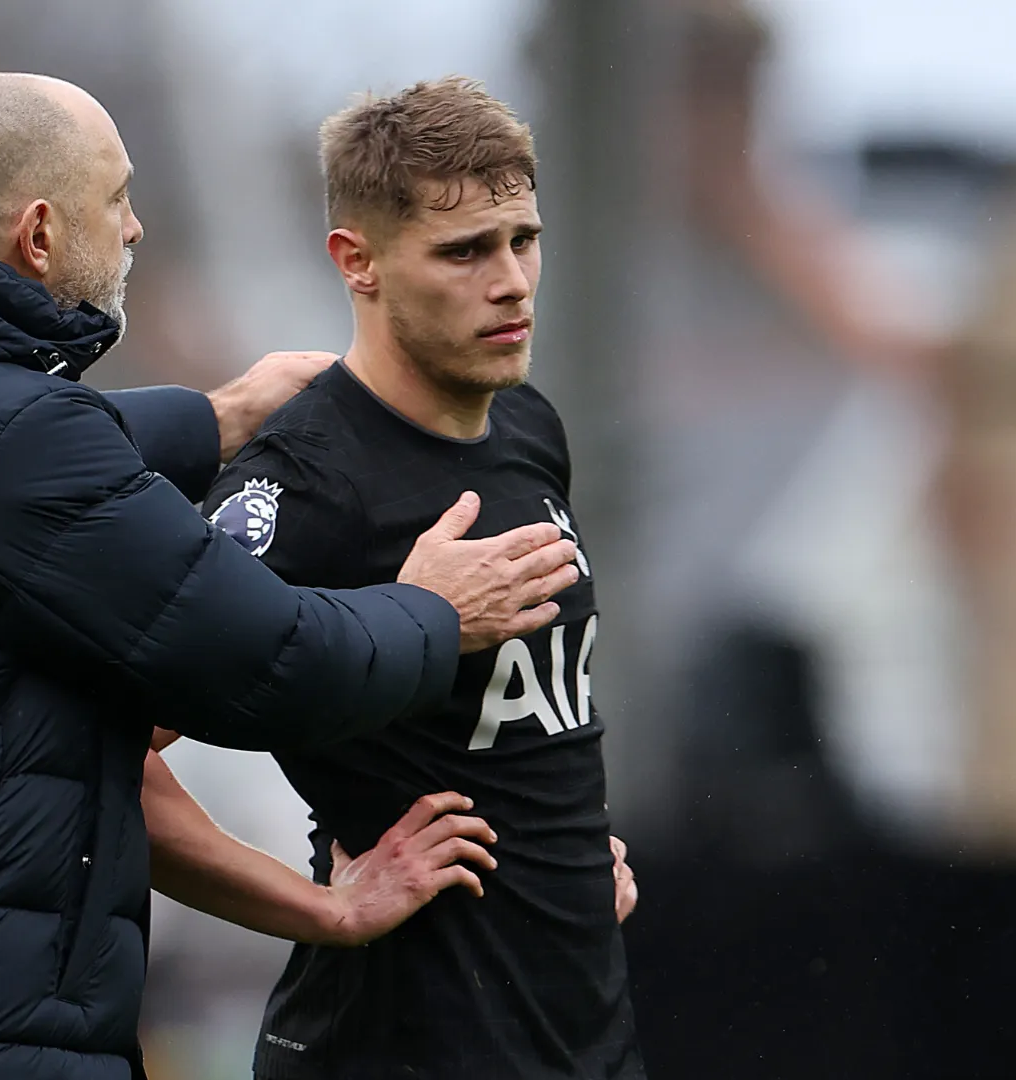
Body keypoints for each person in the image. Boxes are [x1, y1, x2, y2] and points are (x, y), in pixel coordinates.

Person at [0, 72, 584, 1079]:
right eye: (117, 199)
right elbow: (270, 660)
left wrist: (215, 415)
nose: (137, 227)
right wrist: (435, 613)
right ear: (41, 234)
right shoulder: (18, 444)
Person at [147, 78, 645, 1078]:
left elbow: (511, 725)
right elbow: (106, 749)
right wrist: (325, 906)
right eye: (463, 251)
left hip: (579, 1037)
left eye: (523, 239)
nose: (510, 281)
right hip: (397, 1047)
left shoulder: (528, 428)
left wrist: (563, 846)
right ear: (358, 261)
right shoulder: (306, 482)